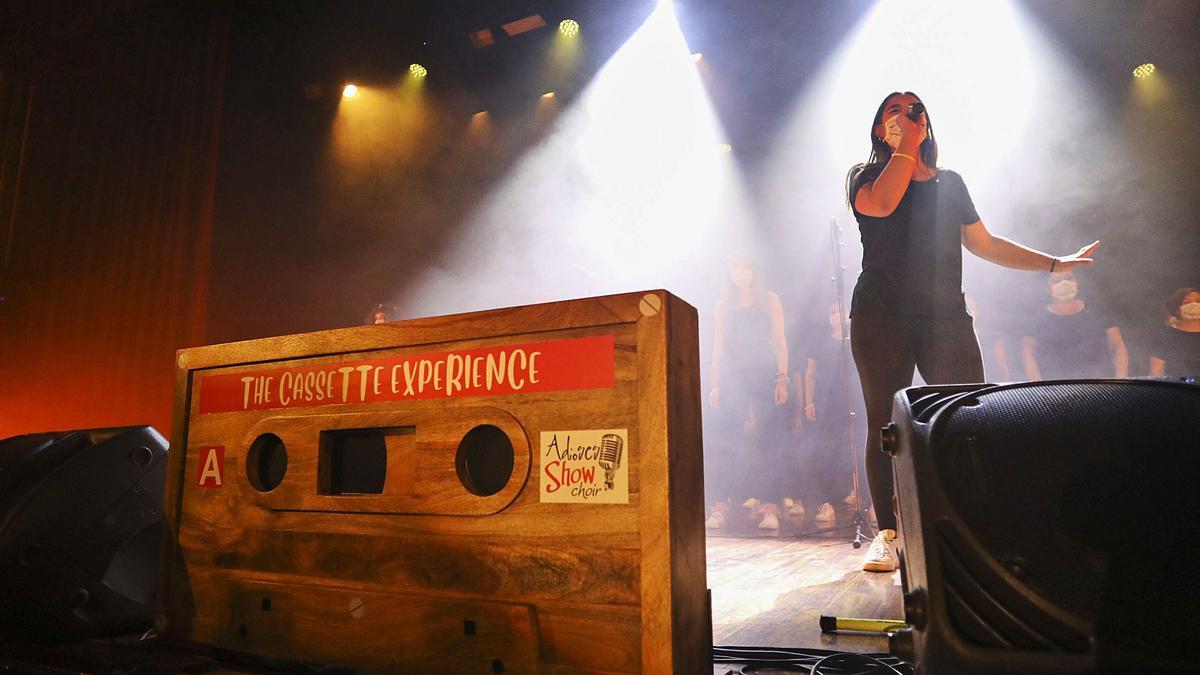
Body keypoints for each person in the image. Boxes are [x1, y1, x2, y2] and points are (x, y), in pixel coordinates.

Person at [845, 91, 1099, 572]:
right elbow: (882, 206)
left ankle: (973, 528)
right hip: (881, 317)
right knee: (885, 423)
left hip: (945, 317)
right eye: (892, 111)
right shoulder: (865, 176)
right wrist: (906, 149)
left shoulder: (950, 183)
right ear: (880, 129)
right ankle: (888, 535)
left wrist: (1053, 263)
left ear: (928, 123)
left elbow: (984, 243)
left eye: (913, 108)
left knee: (968, 416)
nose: (905, 115)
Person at [706, 255, 790, 531]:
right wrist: (715, 384)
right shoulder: (722, 306)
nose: (740, 273)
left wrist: (782, 378)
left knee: (769, 441)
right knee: (725, 441)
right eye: (735, 268)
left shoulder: (769, 299)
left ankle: (770, 508)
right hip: (733, 377)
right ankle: (719, 507)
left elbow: (779, 341)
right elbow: (718, 347)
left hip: (764, 373)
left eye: (745, 267)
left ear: (753, 271)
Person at [1018, 270, 1128, 380]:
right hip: (1054, 388)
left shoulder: (1097, 309)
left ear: (1077, 281)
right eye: (1056, 280)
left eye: (1069, 278)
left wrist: (1120, 378)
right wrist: (1038, 386)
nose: (1064, 283)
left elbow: (1117, 344)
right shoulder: (1037, 317)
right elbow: (1027, 350)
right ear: (1047, 288)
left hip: (1100, 385)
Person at [1148, 287, 1200, 376]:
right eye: (1187, 302)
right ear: (1177, 309)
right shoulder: (1164, 337)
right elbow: (1156, 372)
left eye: (1198, 301)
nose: (1194, 305)